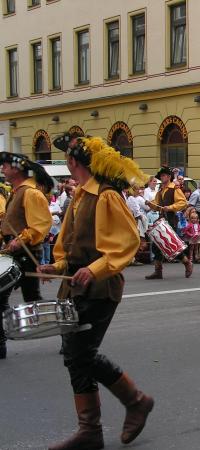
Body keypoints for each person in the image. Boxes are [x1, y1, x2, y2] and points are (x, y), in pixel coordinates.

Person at [40, 133, 153, 449]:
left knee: (81, 353)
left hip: (101, 288)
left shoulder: (107, 195)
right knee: (74, 356)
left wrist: (95, 269)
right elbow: (68, 244)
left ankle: (136, 401)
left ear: (72, 162)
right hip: (74, 287)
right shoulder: (79, 196)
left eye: (67, 158)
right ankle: (90, 430)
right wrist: (58, 266)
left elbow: (129, 242)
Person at [0, 152, 53, 360]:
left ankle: (71, 323)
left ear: (17, 168)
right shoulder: (16, 191)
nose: (2, 168)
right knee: (27, 298)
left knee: (31, 300)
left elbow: (40, 224)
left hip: (24, 253)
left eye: (5, 165)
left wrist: (19, 239)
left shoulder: (31, 193)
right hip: (14, 252)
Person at [145, 166, 193, 279]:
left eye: (164, 175)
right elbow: (156, 204)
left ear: (169, 177)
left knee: (171, 245)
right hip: (162, 219)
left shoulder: (174, 188)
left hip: (171, 219)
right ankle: (158, 271)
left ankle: (187, 262)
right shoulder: (161, 190)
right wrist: (149, 203)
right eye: (161, 176)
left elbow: (183, 203)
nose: (162, 177)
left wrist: (170, 207)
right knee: (157, 244)